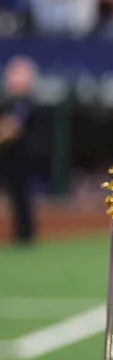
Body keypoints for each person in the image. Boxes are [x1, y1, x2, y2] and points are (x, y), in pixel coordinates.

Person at [0, 55, 37, 245]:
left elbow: (12, 127)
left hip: (21, 157)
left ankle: (26, 235)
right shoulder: (12, 101)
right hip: (10, 157)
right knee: (16, 197)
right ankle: (22, 234)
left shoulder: (24, 102)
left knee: (21, 196)